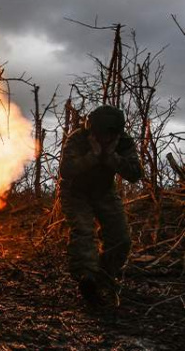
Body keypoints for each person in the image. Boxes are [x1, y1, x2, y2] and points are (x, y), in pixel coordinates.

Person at [59, 104, 143, 306]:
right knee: (83, 232)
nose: (103, 138)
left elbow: (135, 173)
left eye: (108, 135)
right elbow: (67, 170)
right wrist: (94, 157)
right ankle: (86, 280)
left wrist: (111, 158)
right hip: (75, 192)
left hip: (104, 192)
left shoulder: (123, 142)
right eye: (98, 134)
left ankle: (103, 277)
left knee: (121, 238)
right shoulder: (78, 138)